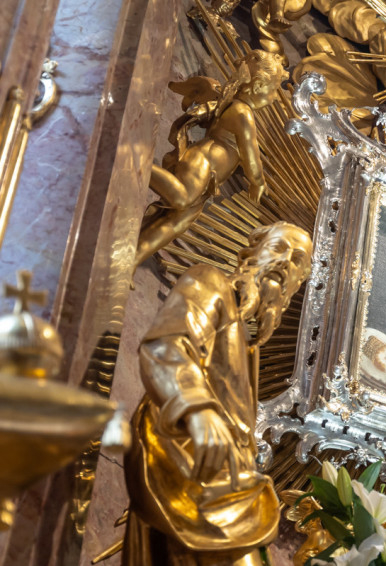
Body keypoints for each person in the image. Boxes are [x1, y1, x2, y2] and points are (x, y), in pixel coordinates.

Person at [123, 222, 312, 566]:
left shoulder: (249, 344)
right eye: (278, 248)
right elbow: (168, 345)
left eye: (297, 260)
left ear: (298, 283)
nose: (285, 262)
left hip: (227, 485)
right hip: (189, 463)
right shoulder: (210, 282)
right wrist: (198, 409)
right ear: (250, 253)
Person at [133, 49, 287, 273]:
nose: (274, 98)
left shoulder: (234, 104)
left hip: (208, 180)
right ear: (258, 87)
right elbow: (251, 155)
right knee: (181, 199)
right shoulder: (242, 113)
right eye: (273, 90)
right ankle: (137, 162)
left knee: (175, 224)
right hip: (202, 162)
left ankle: (131, 259)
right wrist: (258, 182)